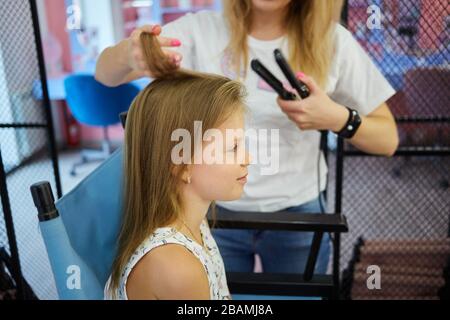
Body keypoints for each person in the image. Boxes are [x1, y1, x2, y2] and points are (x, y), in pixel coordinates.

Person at [96, 0, 399, 275]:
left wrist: (337, 118)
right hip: (210, 212)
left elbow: (388, 140)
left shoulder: (333, 42)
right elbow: (105, 73)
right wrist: (130, 53)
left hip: (298, 215)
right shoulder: (200, 32)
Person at [105, 32, 250, 300]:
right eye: (232, 148)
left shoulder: (192, 221)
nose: (247, 159)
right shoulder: (176, 267)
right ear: (181, 165)